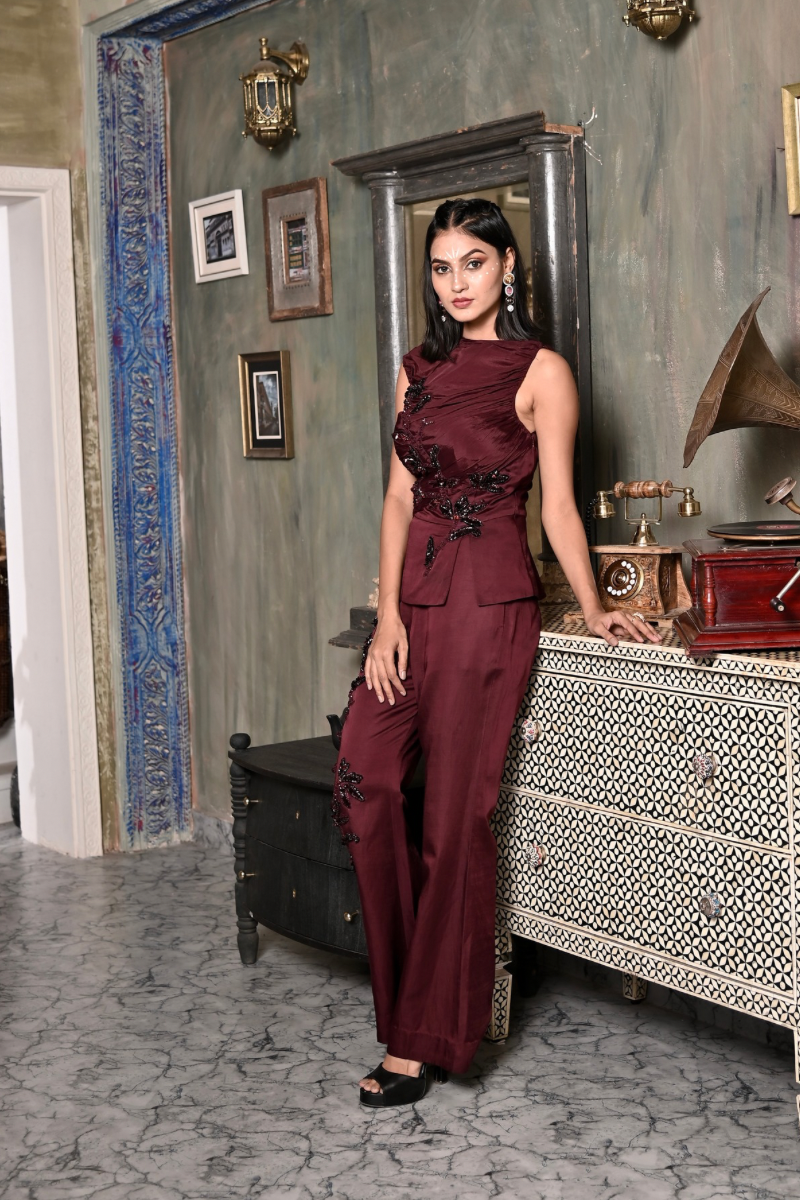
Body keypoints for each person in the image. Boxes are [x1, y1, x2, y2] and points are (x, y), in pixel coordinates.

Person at [332, 197, 661, 1109]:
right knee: (362, 781)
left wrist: (593, 607)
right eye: (441, 268)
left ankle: (421, 1042)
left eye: (472, 263)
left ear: (508, 266)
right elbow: (398, 499)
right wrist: (387, 617)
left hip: (488, 607)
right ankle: (413, 1002)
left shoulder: (541, 371)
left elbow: (557, 506)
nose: (457, 283)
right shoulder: (418, 370)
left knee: (454, 822)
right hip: (414, 605)